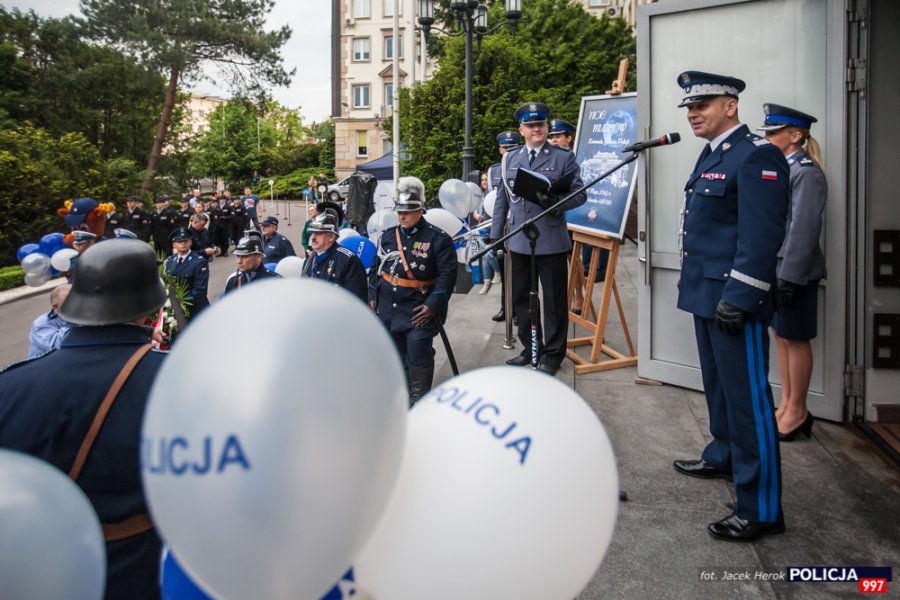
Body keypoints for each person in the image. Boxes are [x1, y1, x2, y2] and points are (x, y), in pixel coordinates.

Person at [0, 238, 169, 599]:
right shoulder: (180, 380)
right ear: (151, 311)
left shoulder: (9, 387)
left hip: (40, 578)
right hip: (146, 574)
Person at [671, 71, 790, 542]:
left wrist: (741, 295)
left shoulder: (757, 156)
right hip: (706, 293)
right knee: (718, 388)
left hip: (733, 298)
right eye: (689, 107)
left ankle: (760, 507)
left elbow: (761, 236)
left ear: (730, 106)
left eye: (703, 104)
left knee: (749, 403)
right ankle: (722, 454)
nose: (693, 113)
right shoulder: (715, 153)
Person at [489, 102, 587, 376]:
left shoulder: (562, 157)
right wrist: (496, 235)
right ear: (521, 130)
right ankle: (531, 347)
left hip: (552, 242)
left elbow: (580, 194)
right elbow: (502, 201)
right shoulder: (510, 158)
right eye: (531, 126)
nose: (537, 130)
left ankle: (553, 354)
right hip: (519, 240)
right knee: (522, 299)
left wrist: (554, 201)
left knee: (554, 300)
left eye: (541, 125)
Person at [757, 103, 827, 442]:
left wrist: (791, 275)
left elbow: (804, 228)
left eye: (773, 132)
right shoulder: (785, 167)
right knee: (781, 336)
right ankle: (786, 404)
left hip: (795, 270)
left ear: (795, 135)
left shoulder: (806, 171)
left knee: (795, 339)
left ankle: (797, 411)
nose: (768, 138)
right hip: (779, 267)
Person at [370, 176, 457, 406]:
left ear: (421, 211)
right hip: (389, 309)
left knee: (418, 354)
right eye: (399, 212)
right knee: (396, 356)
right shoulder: (388, 236)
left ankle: (419, 401)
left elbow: (448, 277)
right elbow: (374, 269)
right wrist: (372, 297)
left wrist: (433, 305)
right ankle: (403, 397)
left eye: (408, 212)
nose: (402, 216)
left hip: (419, 310)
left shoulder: (438, 239)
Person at [484, 130, 522, 322]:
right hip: (501, 226)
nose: (508, 151)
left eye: (512, 147)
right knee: (504, 270)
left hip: (517, 225)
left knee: (520, 272)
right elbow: (491, 199)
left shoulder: (522, 164)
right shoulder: (494, 170)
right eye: (505, 147)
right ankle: (506, 308)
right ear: (500, 149)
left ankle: (519, 310)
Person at [302, 209, 367, 303]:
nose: (313, 237)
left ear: (331, 237)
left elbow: (357, 301)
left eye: (318, 233)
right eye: (312, 233)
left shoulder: (348, 260)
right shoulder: (308, 261)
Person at [164, 227, 210, 321]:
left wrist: (181, 304)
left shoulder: (199, 262)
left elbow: (199, 290)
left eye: (186, 241)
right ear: (174, 244)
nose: (183, 244)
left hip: (195, 310)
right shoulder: (170, 261)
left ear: (190, 242)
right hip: (177, 310)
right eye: (179, 242)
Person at [27, 283, 73, 358]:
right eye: (69, 303)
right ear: (55, 306)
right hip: (43, 366)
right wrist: (75, 320)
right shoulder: (41, 324)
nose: (76, 305)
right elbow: (59, 345)